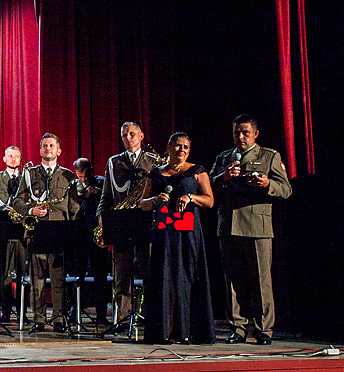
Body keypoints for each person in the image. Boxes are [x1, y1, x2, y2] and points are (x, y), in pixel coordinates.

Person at [210, 115, 292, 345]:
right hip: (229, 225)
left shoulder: (269, 156)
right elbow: (207, 185)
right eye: (237, 132)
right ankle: (237, 327)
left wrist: (267, 185)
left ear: (255, 133)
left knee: (260, 280)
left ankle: (264, 328)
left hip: (257, 227)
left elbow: (286, 189)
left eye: (245, 132)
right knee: (233, 281)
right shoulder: (224, 157)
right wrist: (223, 177)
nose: (240, 137)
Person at [138, 132, 215, 344]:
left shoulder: (197, 171)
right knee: (165, 278)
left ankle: (187, 331)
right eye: (178, 146)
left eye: (186, 147)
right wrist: (155, 199)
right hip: (164, 233)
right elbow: (143, 204)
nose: (181, 151)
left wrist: (190, 197)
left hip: (189, 233)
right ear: (169, 147)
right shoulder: (156, 174)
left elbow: (209, 201)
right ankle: (164, 331)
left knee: (187, 276)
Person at [12, 133, 79, 333]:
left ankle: (58, 319)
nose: (48, 149)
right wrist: (30, 211)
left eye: (51, 146)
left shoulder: (68, 175)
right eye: (44, 146)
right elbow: (16, 201)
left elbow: (73, 206)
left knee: (58, 281)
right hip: (37, 232)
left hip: (59, 233)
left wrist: (71, 229)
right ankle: (38, 320)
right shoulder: (29, 173)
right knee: (37, 281)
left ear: (59, 151)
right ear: (40, 150)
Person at [96, 122, 156, 325]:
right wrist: (101, 217)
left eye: (132, 134)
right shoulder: (113, 162)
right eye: (124, 135)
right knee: (121, 274)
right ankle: (122, 318)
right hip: (120, 221)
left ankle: (150, 316)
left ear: (141, 136)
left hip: (144, 219)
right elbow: (106, 194)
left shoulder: (153, 161)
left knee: (149, 269)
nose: (128, 138)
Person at [72, 158, 110, 326]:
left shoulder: (102, 181)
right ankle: (75, 311)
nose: (83, 179)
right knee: (77, 275)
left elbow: (109, 197)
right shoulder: (73, 185)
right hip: (80, 235)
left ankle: (101, 314)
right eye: (80, 176)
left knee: (100, 276)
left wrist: (96, 191)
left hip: (98, 234)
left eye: (85, 174)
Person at [0, 145, 27, 321]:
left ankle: (22, 312)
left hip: (22, 231)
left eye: (16, 156)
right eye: (10, 156)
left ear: (21, 159)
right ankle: (3, 310)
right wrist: (7, 208)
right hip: (4, 230)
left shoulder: (26, 177)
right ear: (4, 159)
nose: (13, 159)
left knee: (22, 273)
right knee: (4, 274)